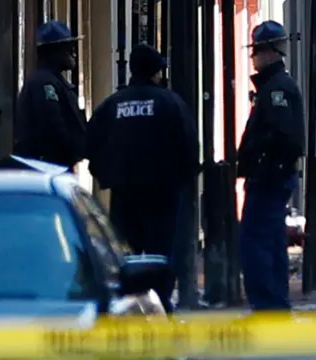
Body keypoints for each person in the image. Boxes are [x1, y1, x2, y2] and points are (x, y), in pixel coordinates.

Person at [86, 45, 198, 312]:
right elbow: (189, 145)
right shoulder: (170, 103)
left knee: (127, 254)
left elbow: (90, 142)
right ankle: (160, 304)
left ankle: (131, 304)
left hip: (125, 194)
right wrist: (183, 179)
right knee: (161, 251)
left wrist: (104, 174)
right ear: (156, 72)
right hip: (163, 193)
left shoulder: (113, 105)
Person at [237, 21, 305, 312]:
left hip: (269, 179)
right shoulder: (274, 88)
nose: (253, 59)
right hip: (270, 177)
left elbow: (281, 137)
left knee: (255, 242)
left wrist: (261, 163)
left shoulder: (277, 90)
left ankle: (267, 303)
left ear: (269, 53)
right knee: (272, 240)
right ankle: (275, 302)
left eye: (256, 53)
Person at [13, 21, 86, 168]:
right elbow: (53, 128)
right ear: (54, 52)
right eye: (68, 49)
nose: (73, 54)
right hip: (47, 167)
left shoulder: (55, 82)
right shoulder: (44, 84)